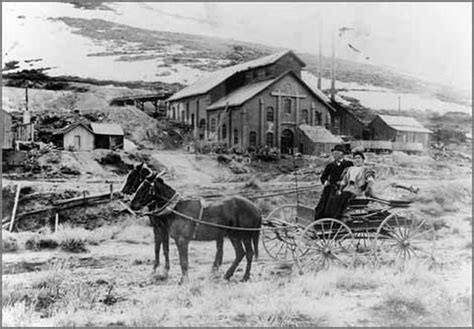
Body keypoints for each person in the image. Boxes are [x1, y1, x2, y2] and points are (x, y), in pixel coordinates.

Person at [314, 144, 353, 220]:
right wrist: (325, 182)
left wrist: (345, 183)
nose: (334, 155)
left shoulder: (349, 164)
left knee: (332, 203)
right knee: (322, 203)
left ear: (342, 154)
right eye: (334, 153)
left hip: (343, 189)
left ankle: (333, 219)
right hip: (331, 187)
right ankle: (320, 219)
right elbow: (323, 177)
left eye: (336, 153)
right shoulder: (330, 165)